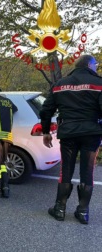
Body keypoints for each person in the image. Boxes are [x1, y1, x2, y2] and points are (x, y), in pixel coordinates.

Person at [40, 55, 102, 224]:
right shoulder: (99, 84)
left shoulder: (60, 84)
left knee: (65, 170)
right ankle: (83, 212)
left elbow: (46, 110)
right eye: (96, 65)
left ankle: (59, 209)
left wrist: (46, 131)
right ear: (90, 65)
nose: (96, 67)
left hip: (68, 132)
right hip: (92, 133)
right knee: (87, 171)